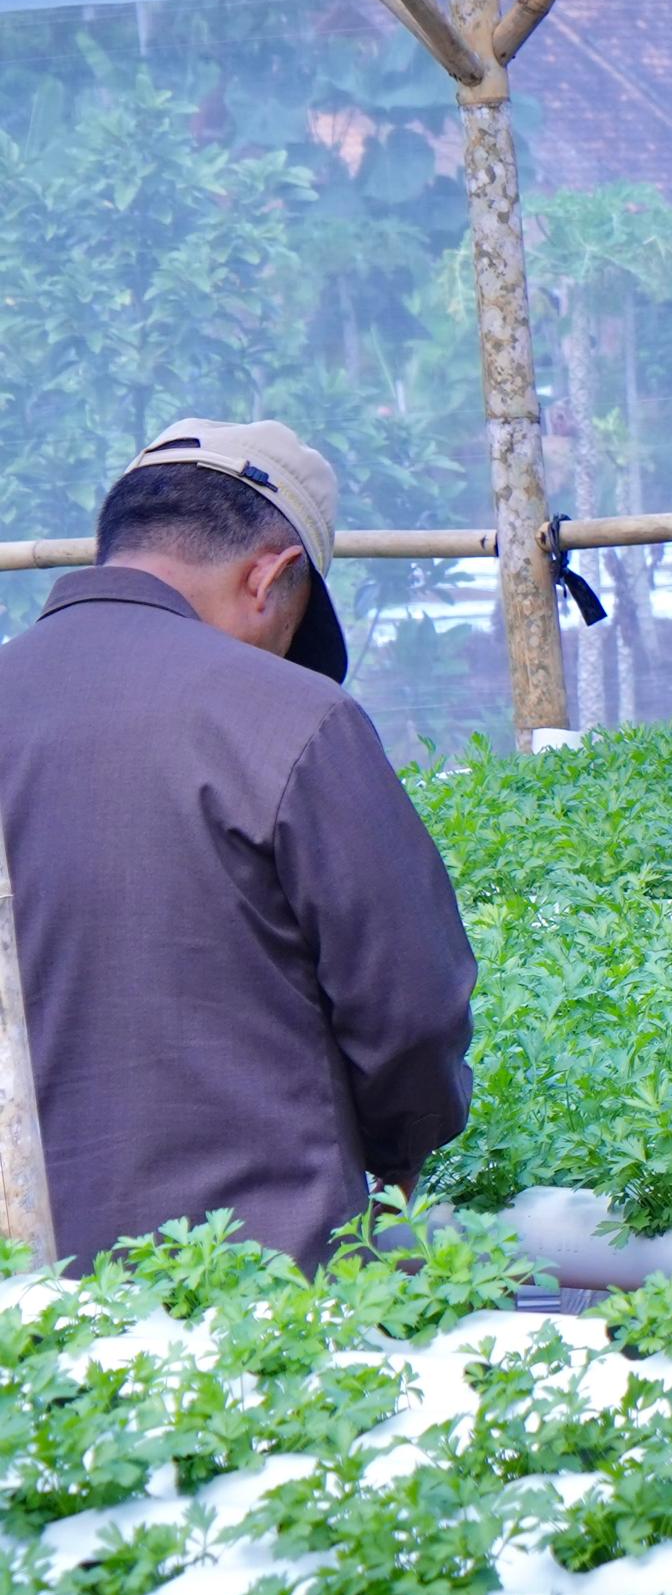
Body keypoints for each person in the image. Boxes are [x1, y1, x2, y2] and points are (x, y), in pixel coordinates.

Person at [0, 420, 475, 1266]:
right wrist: (403, 1147)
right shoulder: (295, 717)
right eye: (292, 630)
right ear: (272, 575)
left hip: (24, 1325)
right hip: (267, 1304)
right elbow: (411, 1008)